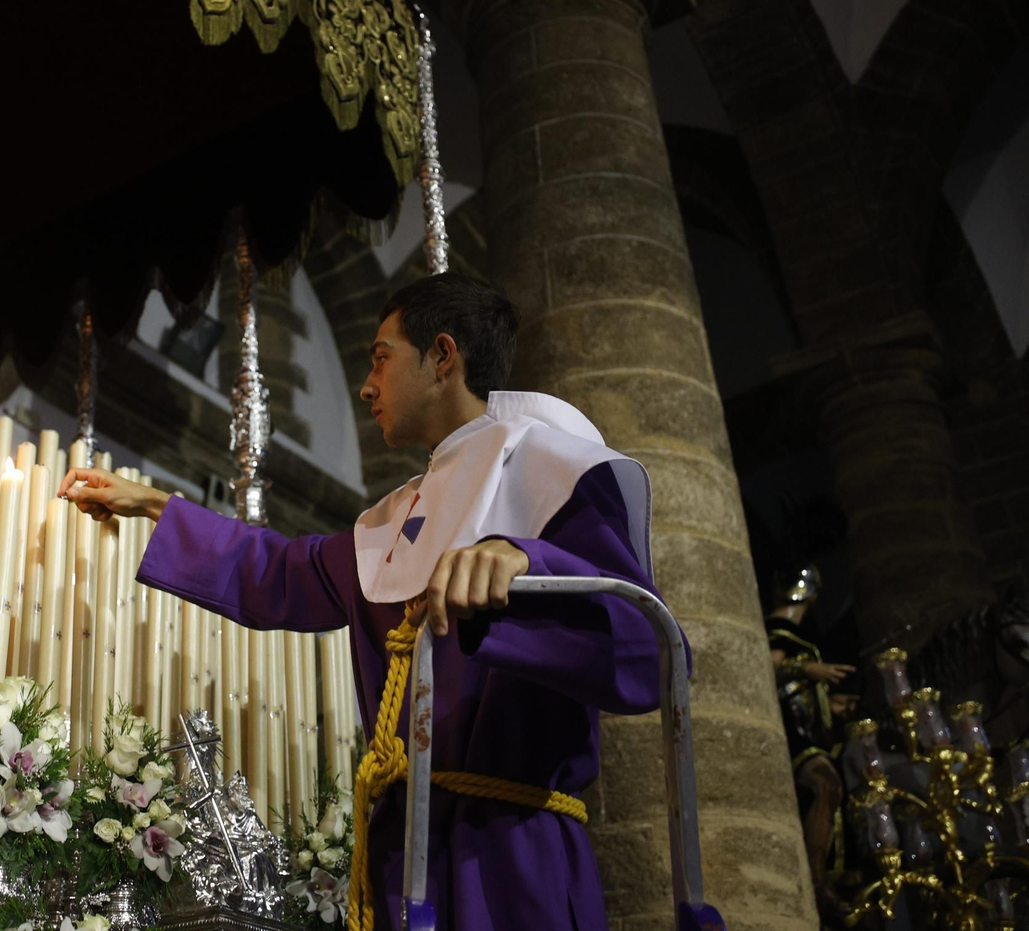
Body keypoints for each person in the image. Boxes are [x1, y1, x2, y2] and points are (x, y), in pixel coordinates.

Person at [59, 272, 674, 931]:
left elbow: (647, 649)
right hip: (404, 855)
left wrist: (528, 563)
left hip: (513, 857)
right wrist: (154, 504)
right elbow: (277, 571)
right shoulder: (396, 519)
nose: (366, 385)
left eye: (381, 358)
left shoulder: (558, 471)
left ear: (442, 356)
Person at [765, 565, 853, 914]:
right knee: (826, 784)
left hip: (809, 732)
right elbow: (769, 668)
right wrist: (808, 670)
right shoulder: (780, 627)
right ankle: (816, 879)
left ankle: (830, 873)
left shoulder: (796, 633)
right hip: (789, 731)